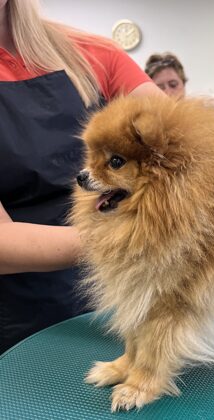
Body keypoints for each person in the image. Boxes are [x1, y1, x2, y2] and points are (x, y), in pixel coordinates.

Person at [0, 0, 163, 353]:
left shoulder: (95, 54)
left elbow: (180, 145)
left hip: (134, 292)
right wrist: (128, 238)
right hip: (21, 318)